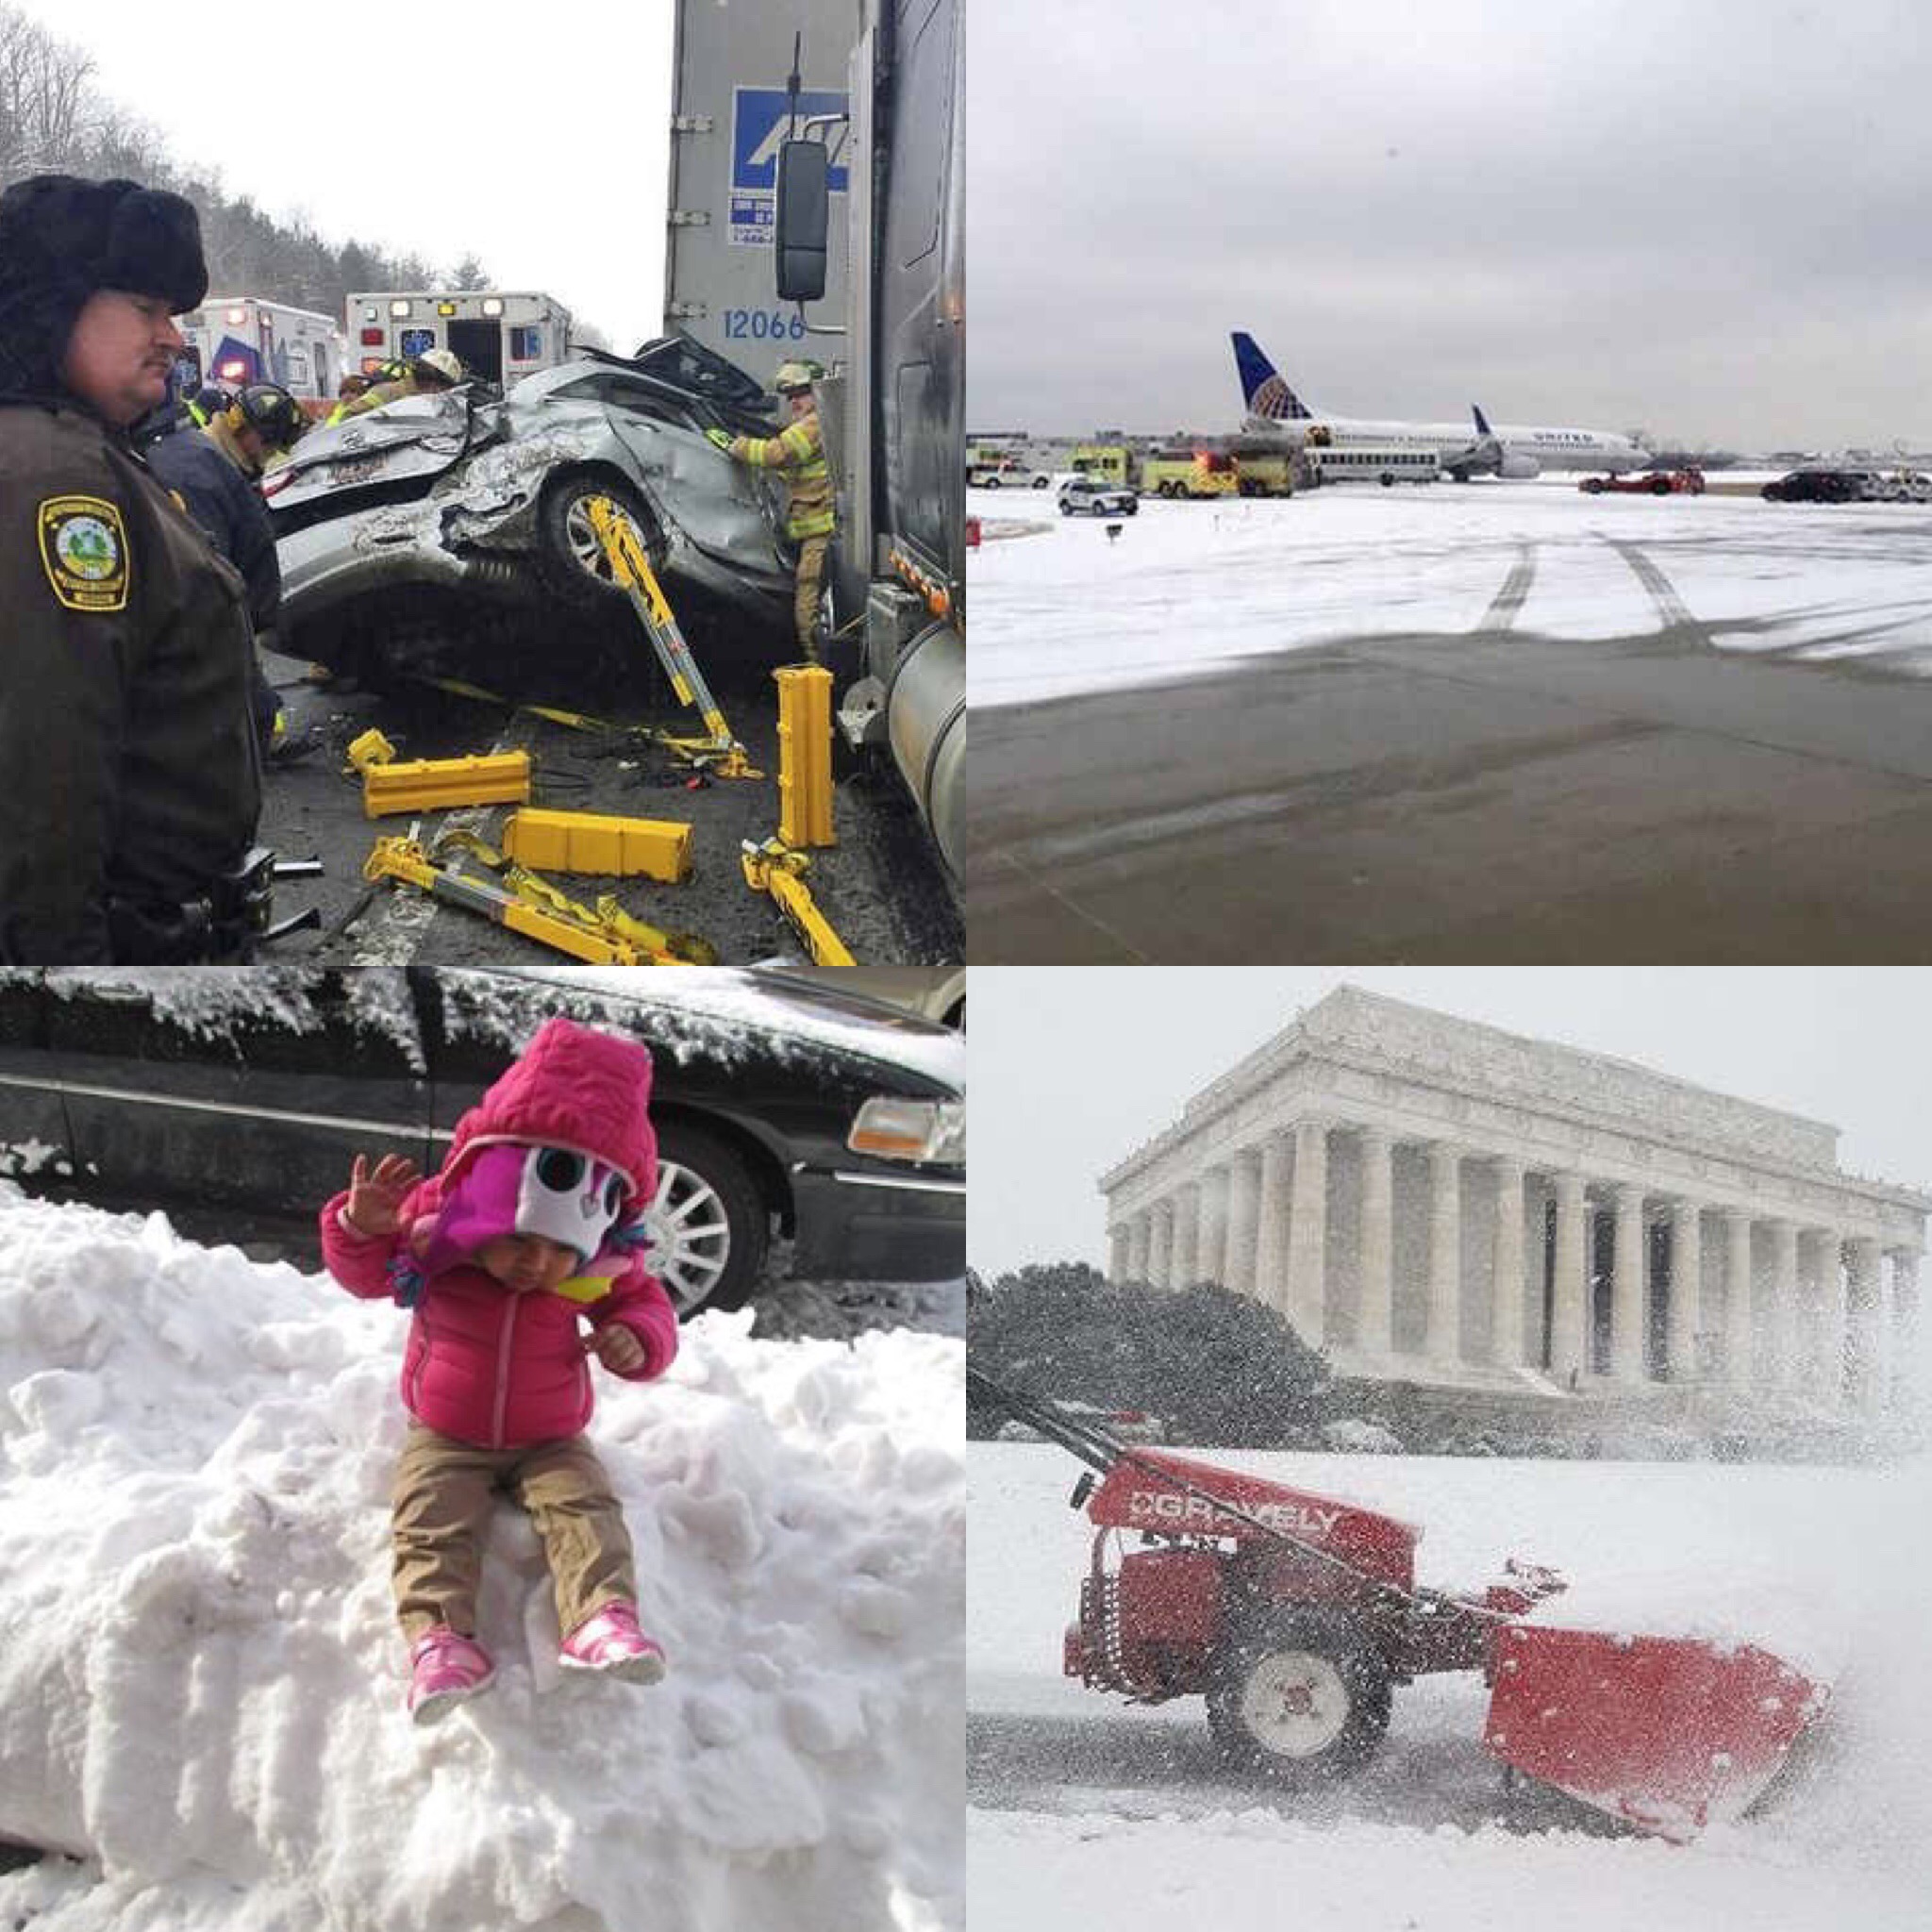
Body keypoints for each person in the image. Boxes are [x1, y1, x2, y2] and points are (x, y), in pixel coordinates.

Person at [318, 1015, 679, 1725]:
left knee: (586, 1508)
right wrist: (362, 1228)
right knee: (428, 1519)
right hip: (446, 1431)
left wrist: (633, 1337)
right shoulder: (431, 1240)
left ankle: (601, 1617)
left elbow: (646, 1305)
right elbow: (364, 1276)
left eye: (555, 1249)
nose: (534, 1263)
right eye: (516, 1240)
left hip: (550, 1436)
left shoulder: (594, 1271)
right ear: (483, 1204)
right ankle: (439, 1640)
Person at [0, 173, 263, 963]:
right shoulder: (55, 476)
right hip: (124, 953)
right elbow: (46, 761)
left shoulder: (88, 452)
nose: (176, 336)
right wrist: (69, 998)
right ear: (54, 307)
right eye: (147, 310)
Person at [144, 381, 311, 764]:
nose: (270, 457)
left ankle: (258, 740)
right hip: (220, 611)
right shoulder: (197, 471)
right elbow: (207, 559)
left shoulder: (207, 457)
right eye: (270, 446)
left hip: (230, 608)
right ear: (250, 433)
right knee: (235, 677)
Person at [707, 359, 835, 660]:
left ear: (816, 391)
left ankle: (819, 670)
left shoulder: (815, 423)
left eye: (800, 393)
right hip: (815, 532)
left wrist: (733, 445)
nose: (793, 402)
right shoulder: (814, 423)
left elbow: (777, 454)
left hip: (821, 534)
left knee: (809, 602)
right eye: (789, 397)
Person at [326, 345, 463, 425]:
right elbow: (347, 418)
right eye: (446, 388)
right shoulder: (387, 393)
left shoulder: (435, 404)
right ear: (435, 383)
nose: (445, 392)